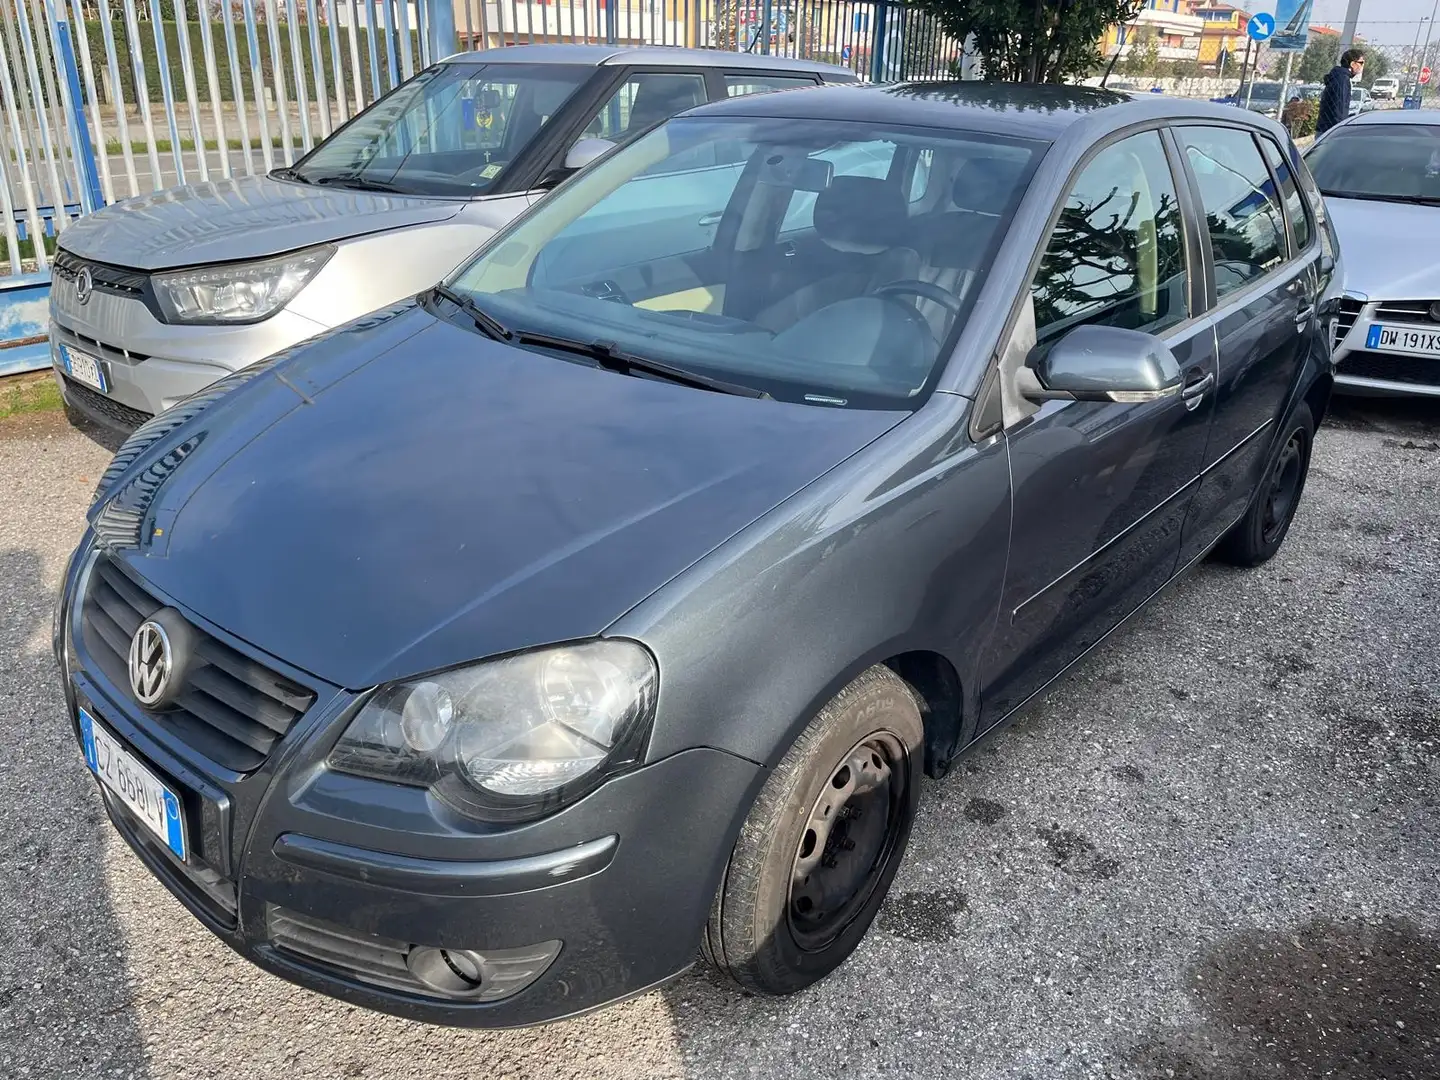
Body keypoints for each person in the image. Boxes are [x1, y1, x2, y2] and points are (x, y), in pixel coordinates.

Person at [1317, 48, 1364, 135]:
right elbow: (1339, 108)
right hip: (1330, 132)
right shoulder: (1342, 80)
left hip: (1326, 129)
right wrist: (1340, 132)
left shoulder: (1339, 76)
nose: (1362, 66)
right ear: (1353, 64)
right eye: (1361, 63)